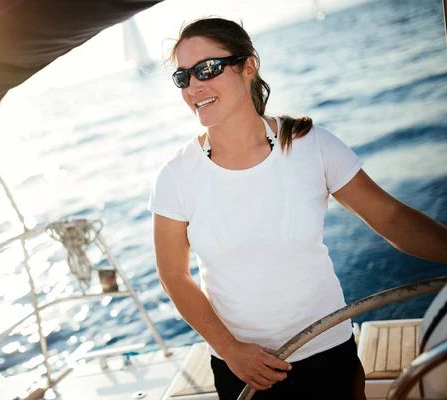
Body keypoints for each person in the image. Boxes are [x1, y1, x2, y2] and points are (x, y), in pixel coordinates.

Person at [148, 17, 447, 400]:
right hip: (243, 369)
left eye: (207, 69)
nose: (194, 86)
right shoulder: (175, 176)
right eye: (183, 77)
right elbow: (174, 275)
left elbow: (390, 218)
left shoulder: (312, 145)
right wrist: (231, 351)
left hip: (329, 351)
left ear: (249, 66)